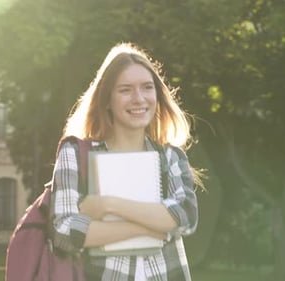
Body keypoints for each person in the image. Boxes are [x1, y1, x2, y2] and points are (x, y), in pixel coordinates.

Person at [50, 42, 200, 281]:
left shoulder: (171, 155)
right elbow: (65, 233)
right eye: (125, 90)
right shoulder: (75, 154)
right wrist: (154, 227)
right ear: (107, 99)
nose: (139, 98)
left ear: (157, 95)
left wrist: (109, 204)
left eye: (147, 88)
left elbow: (185, 217)